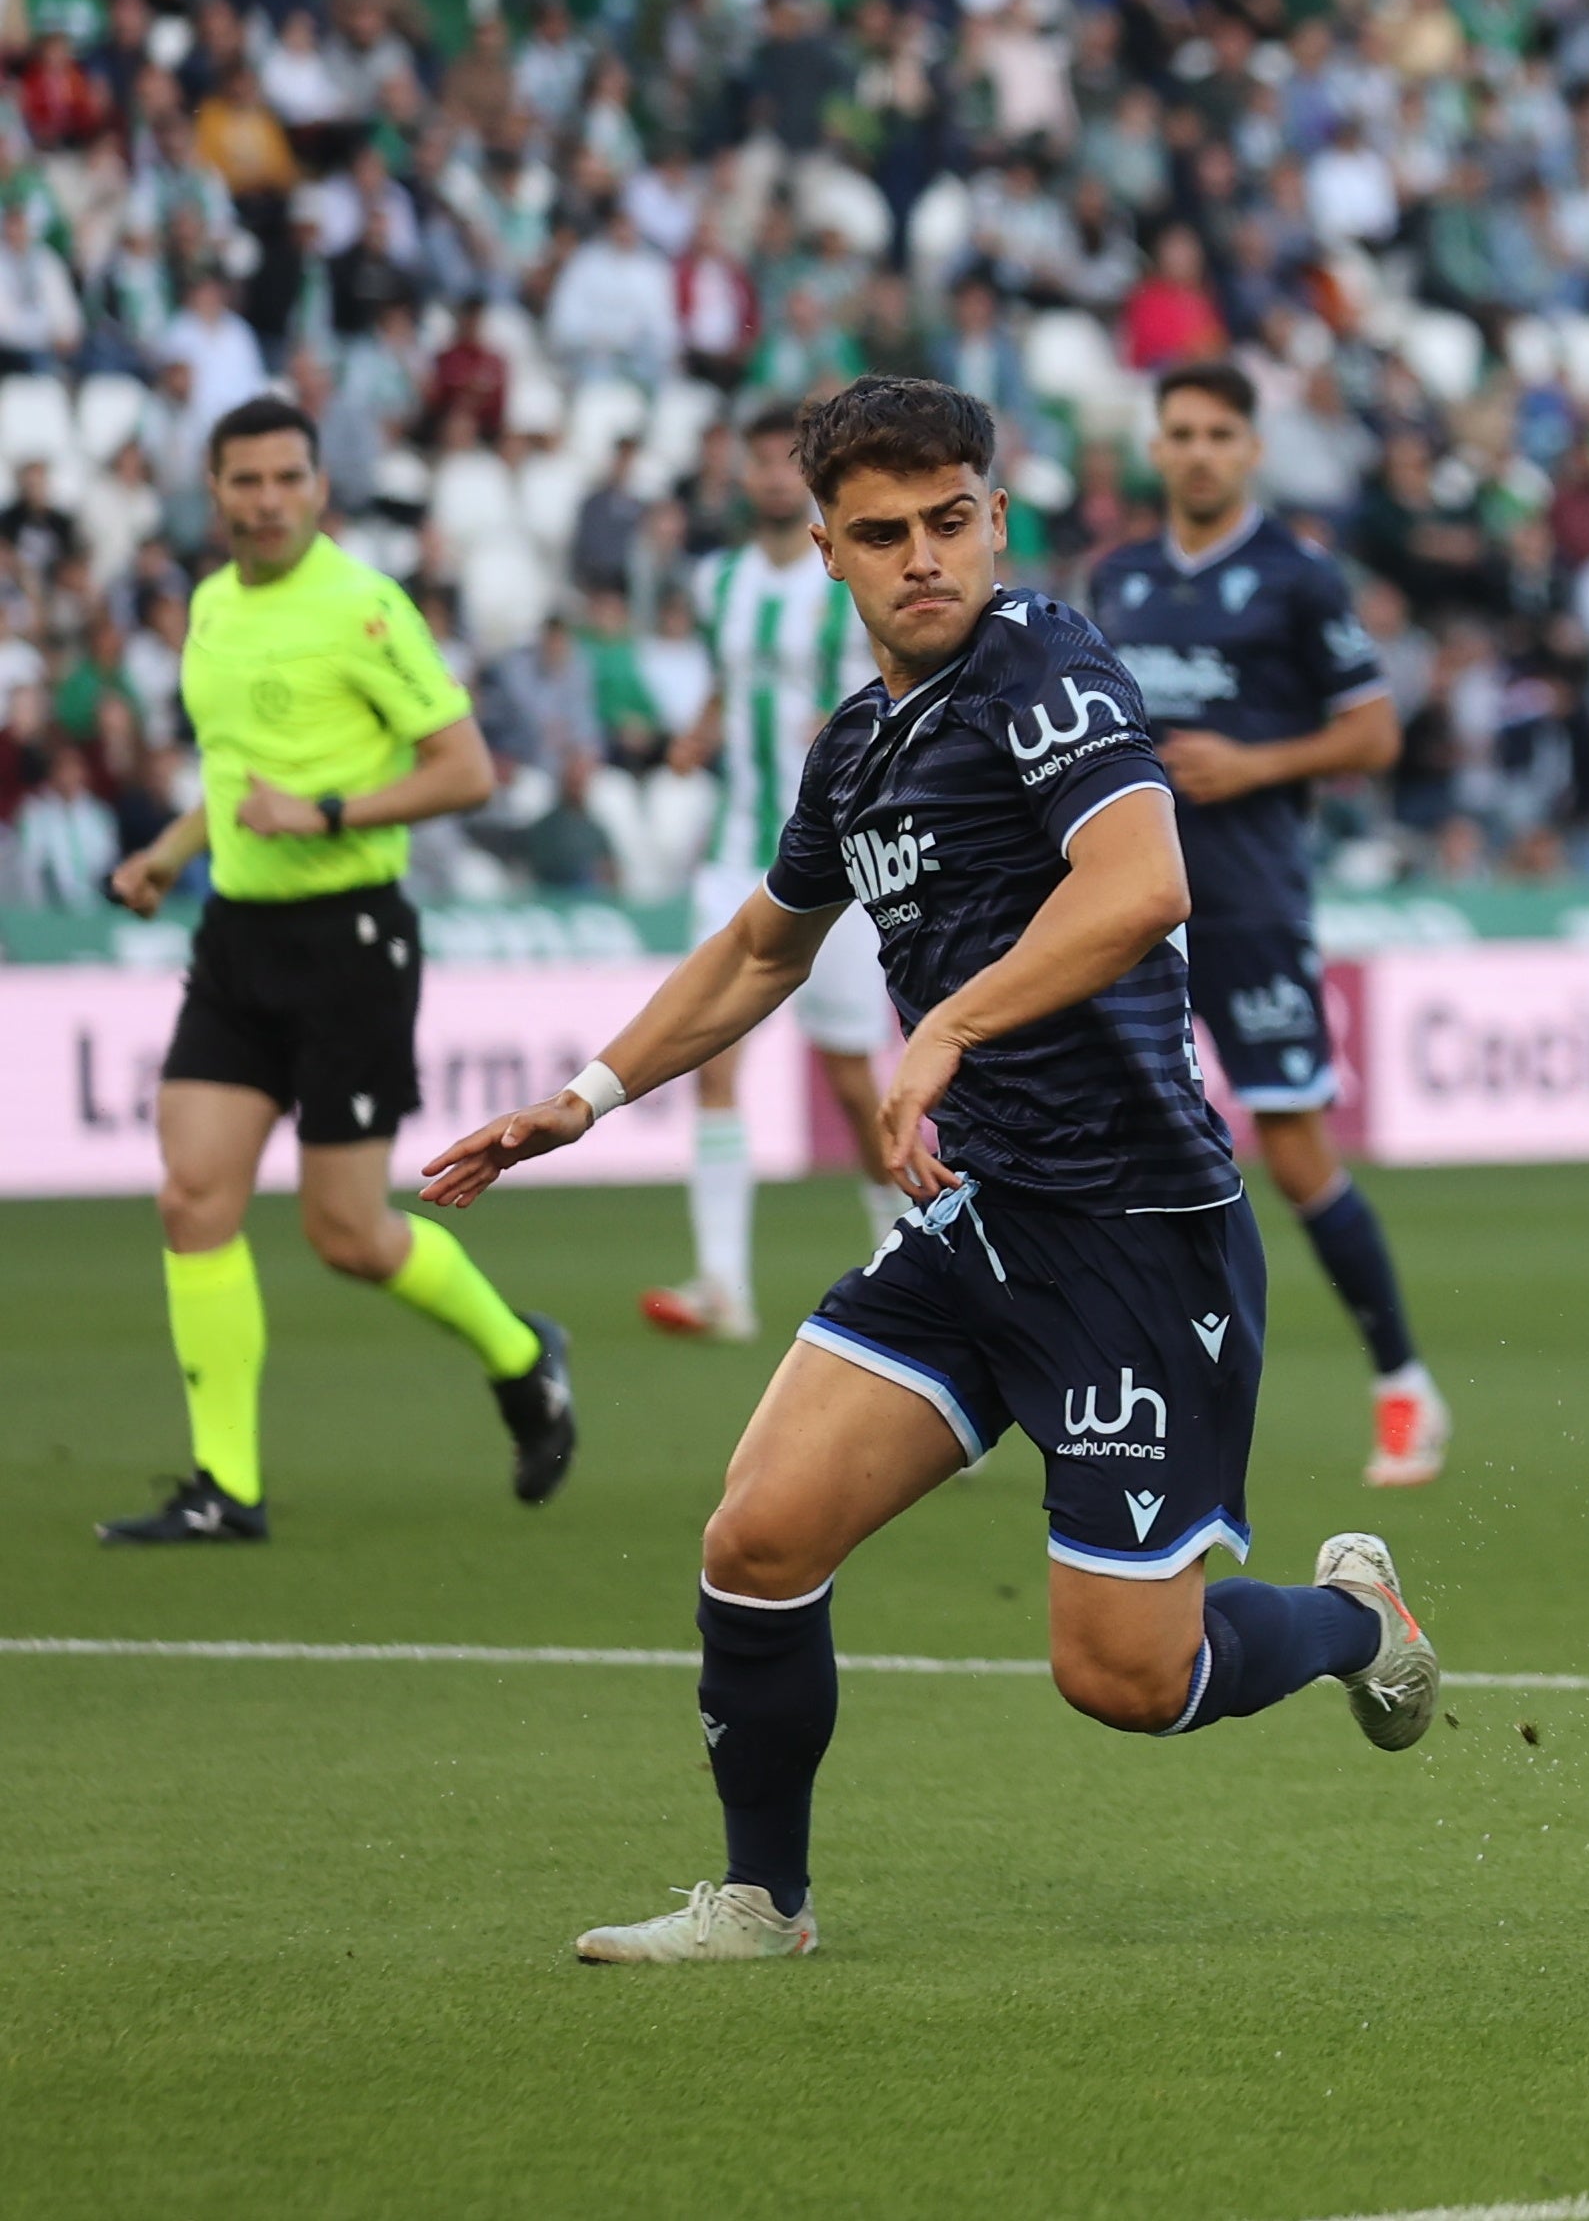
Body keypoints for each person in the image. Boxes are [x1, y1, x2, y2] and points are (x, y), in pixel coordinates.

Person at [421, 377, 1438, 1963]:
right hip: (980, 1227)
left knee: (1123, 1678)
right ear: (824, 547)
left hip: (1133, 1233)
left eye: (950, 523)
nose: (923, 559)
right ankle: (764, 1903)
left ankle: (1353, 1623)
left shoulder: (1044, 664)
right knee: (755, 1541)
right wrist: (589, 1094)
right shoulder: (859, 748)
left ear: (996, 521)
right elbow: (765, 946)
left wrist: (946, 1026)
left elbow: (1143, 879)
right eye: (882, 534)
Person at [96, 395, 580, 1545]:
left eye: (286, 479)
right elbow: (231, 776)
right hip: (237, 939)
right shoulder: (210, 605)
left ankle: (523, 1356)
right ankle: (227, 1488)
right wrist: (168, 854)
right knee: (191, 1196)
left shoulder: (364, 607)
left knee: (348, 1233)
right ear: (211, 490)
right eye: (244, 481)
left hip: (351, 937)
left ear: (319, 486)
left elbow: (467, 771)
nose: (265, 501)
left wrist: (324, 810)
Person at [1084, 361, 1452, 1485]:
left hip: (1247, 900)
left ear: (1251, 450)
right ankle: (1071, 1390)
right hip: (1125, 905)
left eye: (1218, 433)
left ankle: (1403, 1382)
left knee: (1293, 1147)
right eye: (1180, 431)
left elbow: (1378, 732)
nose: (1196, 450)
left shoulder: (1298, 578)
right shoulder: (1120, 579)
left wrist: (1258, 761)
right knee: (1098, 1151)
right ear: (1157, 448)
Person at [641, 403, 903, 1342]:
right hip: (733, 853)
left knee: (850, 1080)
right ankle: (722, 1285)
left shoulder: (847, 583)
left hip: (838, 864)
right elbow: (728, 679)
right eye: (751, 462)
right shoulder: (719, 583)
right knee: (712, 1058)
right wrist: (700, 733)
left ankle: (917, 1268)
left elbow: (896, 680)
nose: (763, 477)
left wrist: (848, 732)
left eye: (779, 463)